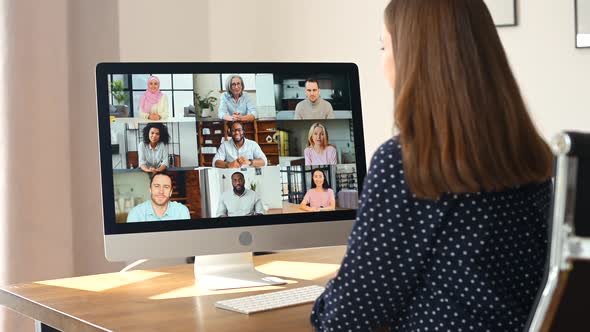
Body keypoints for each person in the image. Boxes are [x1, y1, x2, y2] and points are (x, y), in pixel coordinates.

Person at [311, 0, 554, 331]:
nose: (383, 62)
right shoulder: (527, 156)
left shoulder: (406, 161)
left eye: (385, 47)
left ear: (413, 58)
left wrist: (335, 290)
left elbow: (346, 319)